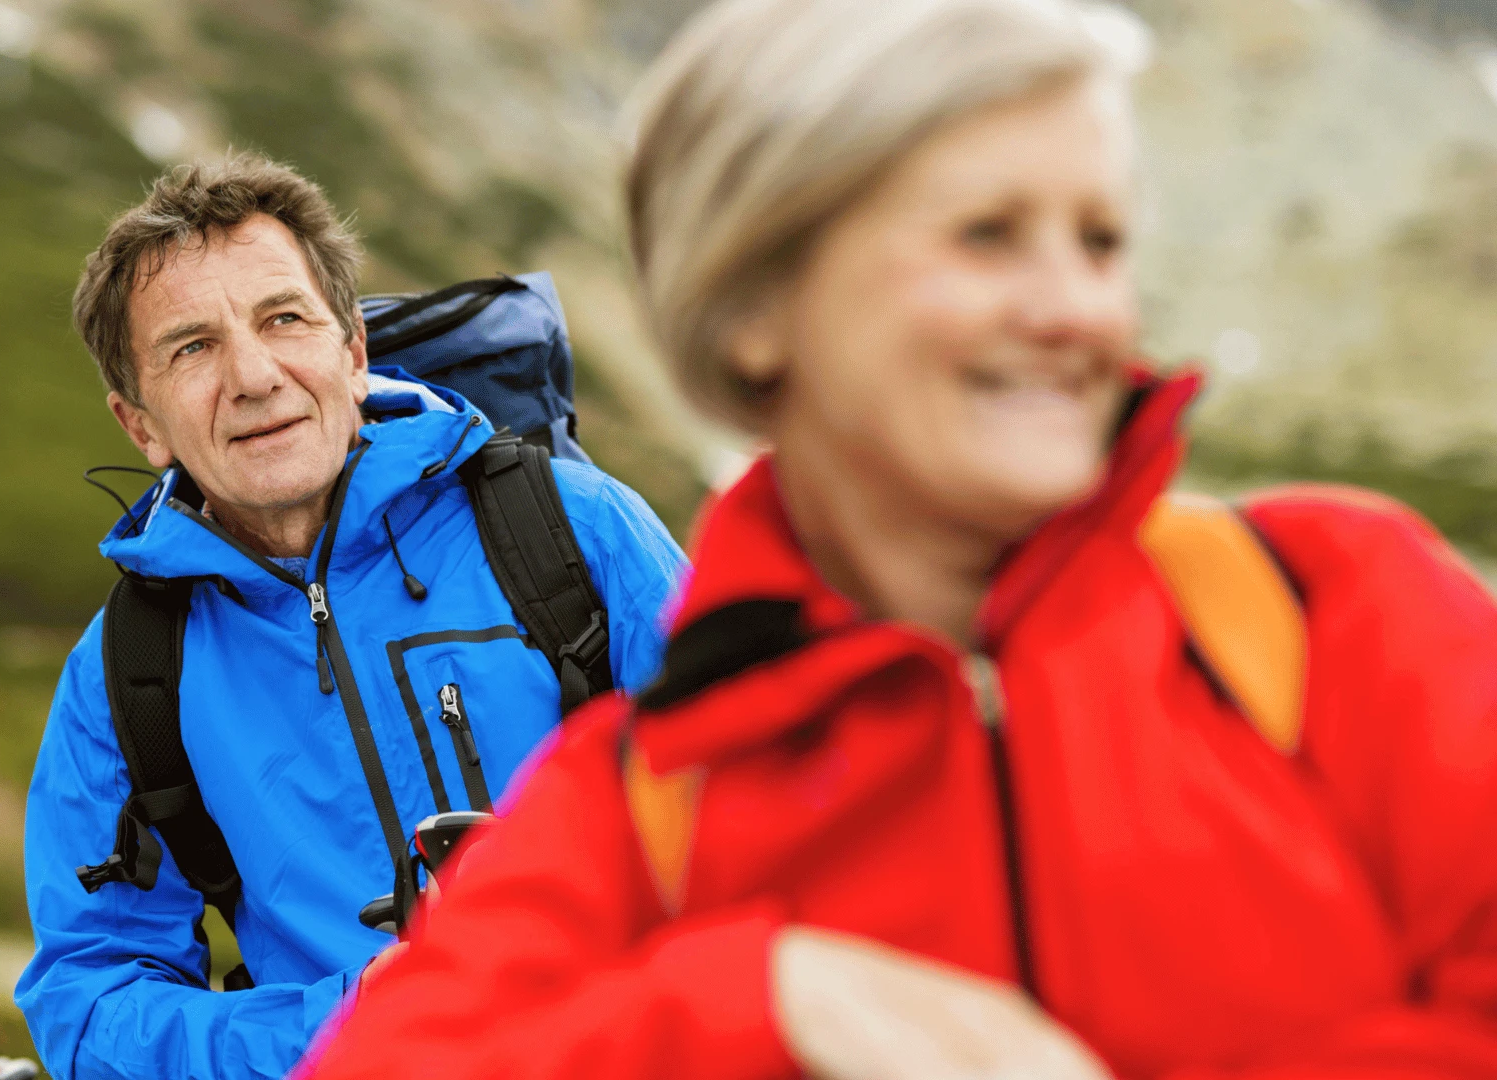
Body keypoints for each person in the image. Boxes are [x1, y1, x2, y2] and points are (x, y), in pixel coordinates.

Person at [297, 0, 1497, 1077]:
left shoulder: (1332, 603)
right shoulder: (645, 803)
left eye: (1100, 240)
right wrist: (755, 1002)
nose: (1078, 309)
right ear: (757, 304)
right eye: (986, 234)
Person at [13, 155, 688, 1080]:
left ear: (353, 351)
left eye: (283, 318)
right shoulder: (126, 671)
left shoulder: (570, 527)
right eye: (191, 347)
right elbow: (87, 1003)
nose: (254, 376)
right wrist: (345, 1024)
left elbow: (788, 811)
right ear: (142, 427)